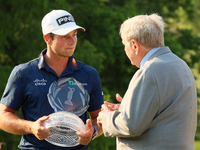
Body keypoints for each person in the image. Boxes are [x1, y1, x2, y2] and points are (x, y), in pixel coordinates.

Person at [0, 9, 104, 150]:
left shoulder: (89, 74)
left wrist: (93, 132)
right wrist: (31, 127)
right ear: (47, 39)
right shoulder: (23, 72)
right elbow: (3, 117)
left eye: (74, 34)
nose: (72, 41)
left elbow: (99, 118)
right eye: (65, 36)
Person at [97, 13, 197, 150]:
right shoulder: (181, 65)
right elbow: (165, 112)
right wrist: (127, 108)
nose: (125, 50)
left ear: (134, 45)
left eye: (124, 45)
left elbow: (131, 125)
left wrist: (106, 117)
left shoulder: (149, 71)